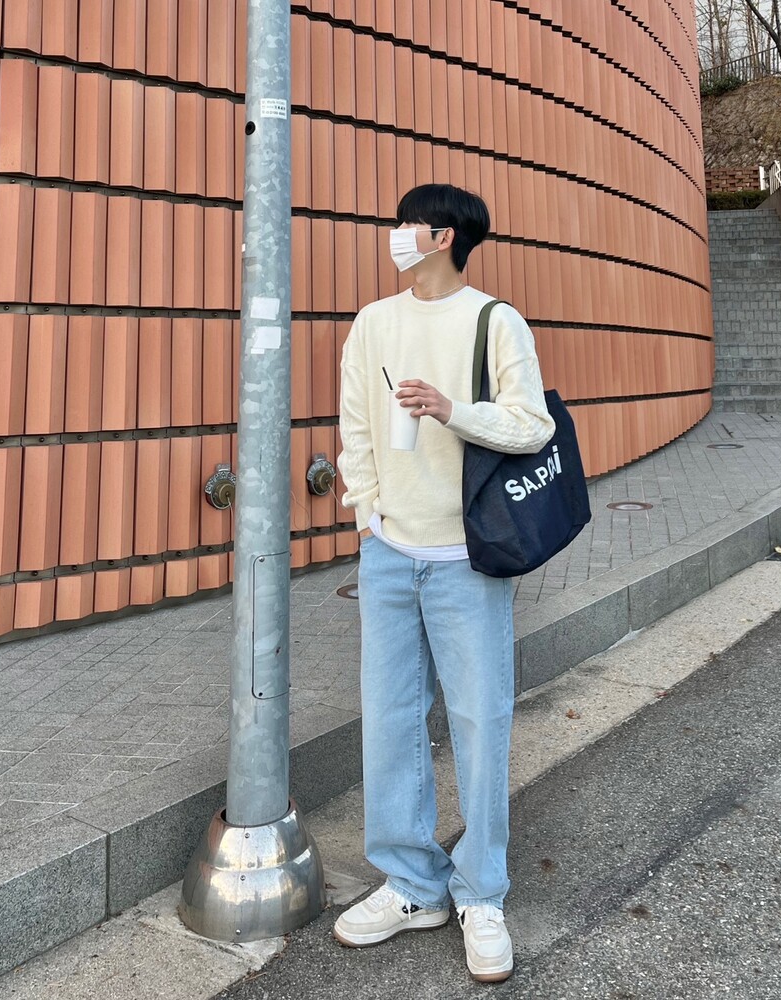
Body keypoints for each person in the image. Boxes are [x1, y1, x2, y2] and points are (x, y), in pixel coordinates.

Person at [334, 184, 554, 983]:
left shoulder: (495, 321)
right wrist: (367, 514)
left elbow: (532, 424)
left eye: (409, 223)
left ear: (444, 236)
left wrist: (451, 409)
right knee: (390, 721)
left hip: (468, 556)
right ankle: (412, 884)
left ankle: (482, 893)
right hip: (390, 552)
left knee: (479, 720)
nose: (396, 233)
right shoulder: (373, 322)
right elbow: (356, 423)